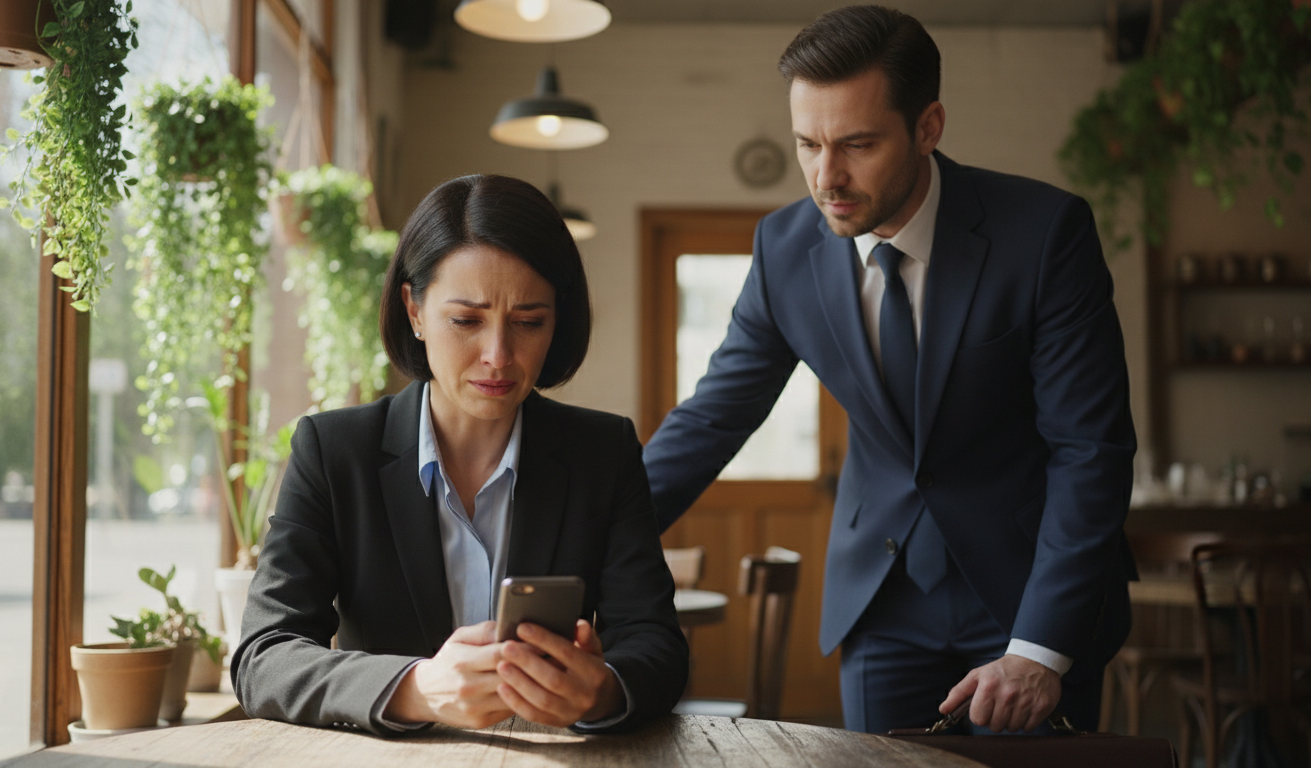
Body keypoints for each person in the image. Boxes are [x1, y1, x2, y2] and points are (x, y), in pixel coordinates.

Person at [643, 5, 1136, 735]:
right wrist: (588, 540)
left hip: (1026, 601)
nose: (825, 176)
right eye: (807, 143)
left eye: (857, 144)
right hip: (879, 607)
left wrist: (1041, 647)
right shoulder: (784, 250)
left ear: (928, 126)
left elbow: (1089, 450)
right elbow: (714, 417)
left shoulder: (1043, 236)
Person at [232, 174, 688, 735]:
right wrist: (416, 688)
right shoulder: (334, 452)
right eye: (466, 320)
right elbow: (264, 656)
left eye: (529, 322)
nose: (498, 355)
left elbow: (657, 647)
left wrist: (604, 690)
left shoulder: (603, 454)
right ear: (415, 311)